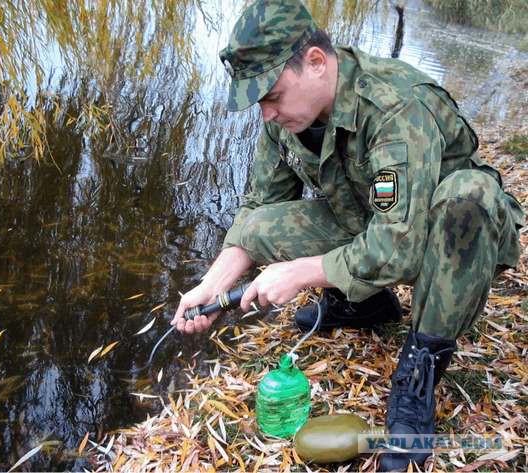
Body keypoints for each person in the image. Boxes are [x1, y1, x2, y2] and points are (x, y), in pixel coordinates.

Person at [171, 0, 524, 470]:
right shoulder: (287, 117)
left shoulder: (395, 105)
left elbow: (400, 242)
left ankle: (422, 361)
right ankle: (368, 304)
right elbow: (258, 207)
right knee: (259, 227)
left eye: (272, 95)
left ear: (316, 62)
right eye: (259, 102)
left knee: (467, 197)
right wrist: (212, 284)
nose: (266, 114)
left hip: (453, 235)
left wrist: (300, 273)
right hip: (376, 217)